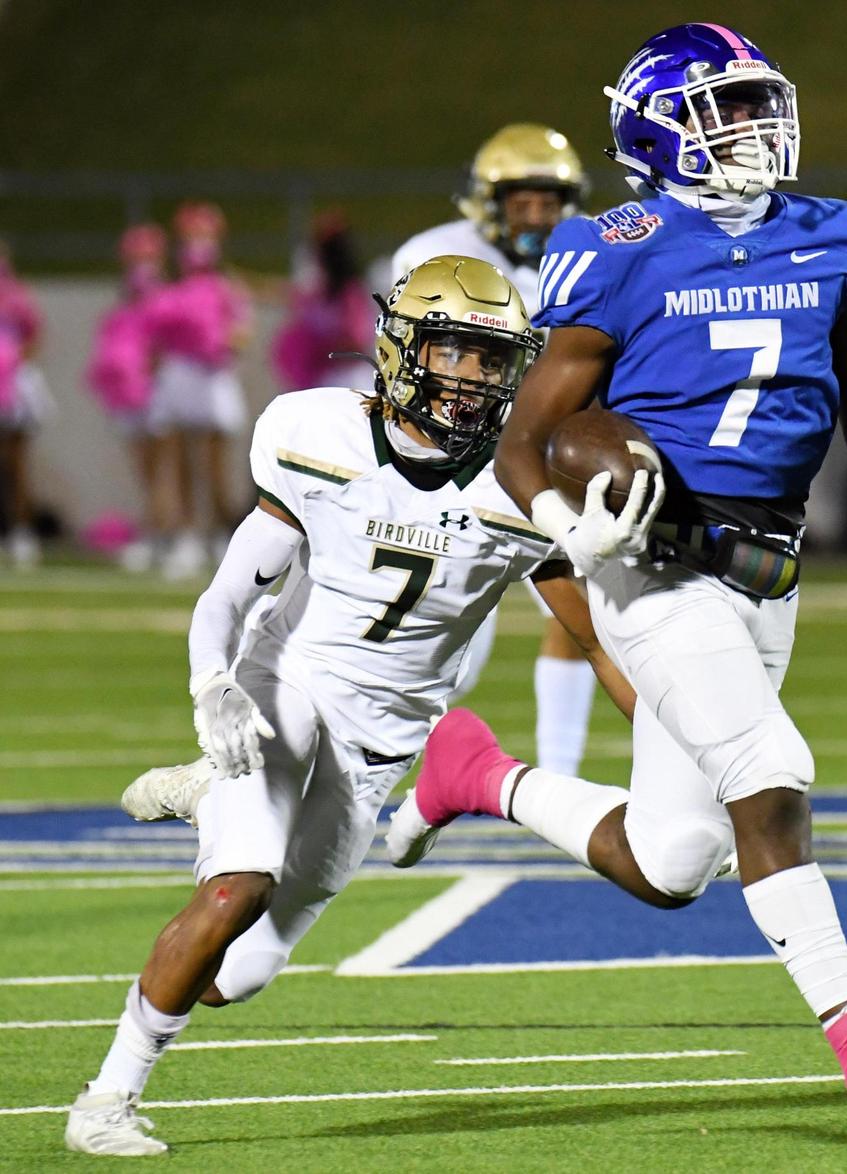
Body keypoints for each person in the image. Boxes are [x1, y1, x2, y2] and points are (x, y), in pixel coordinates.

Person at [387, 23, 847, 1145]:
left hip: (770, 571)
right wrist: (563, 523)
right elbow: (527, 434)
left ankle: (474, 773)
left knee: (671, 859)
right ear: (659, 126)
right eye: (724, 109)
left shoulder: (838, 235)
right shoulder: (622, 243)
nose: (752, 127)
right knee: (772, 769)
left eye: (757, 104)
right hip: (653, 564)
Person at [64, 256, 639, 1156]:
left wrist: (684, 745)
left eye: (492, 360)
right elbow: (227, 595)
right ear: (401, 347)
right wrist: (211, 683)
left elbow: (600, 639)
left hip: (380, 747)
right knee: (238, 887)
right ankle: (106, 1099)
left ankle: (203, 794)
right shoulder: (315, 432)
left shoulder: (521, 485)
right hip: (282, 691)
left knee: (239, 975)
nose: (472, 379)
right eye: (452, 351)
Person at [390, 124, 600, 776]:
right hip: (461, 461)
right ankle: (378, 760)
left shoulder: (597, 248)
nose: (536, 216)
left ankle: (560, 775)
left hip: (547, 459)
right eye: (522, 202)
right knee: (449, 641)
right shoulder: (432, 256)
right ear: (489, 200)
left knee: (583, 614)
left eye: (547, 201)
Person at [146, 202, 252, 579]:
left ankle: (224, 535)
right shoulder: (171, 287)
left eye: (204, 237)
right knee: (179, 461)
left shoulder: (227, 286)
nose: (198, 245)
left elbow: (242, 332)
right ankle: (188, 536)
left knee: (214, 465)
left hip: (213, 375)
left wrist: (222, 341)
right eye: (192, 237)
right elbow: (155, 335)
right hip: (179, 374)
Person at [85, 224, 169, 572]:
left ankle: (164, 535)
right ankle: (157, 533)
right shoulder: (127, 300)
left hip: (159, 390)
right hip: (133, 393)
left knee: (161, 468)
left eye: (146, 257)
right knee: (146, 468)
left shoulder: (165, 297)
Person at [271, 209, 374, 393]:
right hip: (321, 377)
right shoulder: (313, 293)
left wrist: (323, 348)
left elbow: (357, 341)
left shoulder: (349, 294)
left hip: (347, 378)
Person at [0, 242, 53, 568]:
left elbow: (35, 336)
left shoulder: (17, 297)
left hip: (13, 386)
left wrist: (13, 367)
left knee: (16, 464)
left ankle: (22, 532)